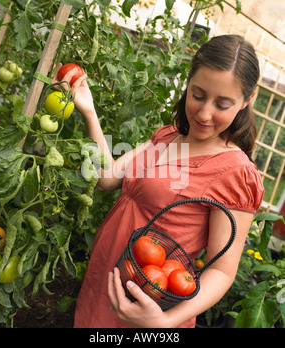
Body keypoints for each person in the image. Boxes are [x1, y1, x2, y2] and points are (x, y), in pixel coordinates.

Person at [54, 34, 264, 328]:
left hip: (149, 307)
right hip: (106, 283)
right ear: (188, 83)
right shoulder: (168, 137)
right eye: (198, 95)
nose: (204, 114)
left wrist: (163, 322)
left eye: (222, 104)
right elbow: (108, 177)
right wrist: (89, 111)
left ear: (247, 100)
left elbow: (222, 271)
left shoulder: (236, 173)